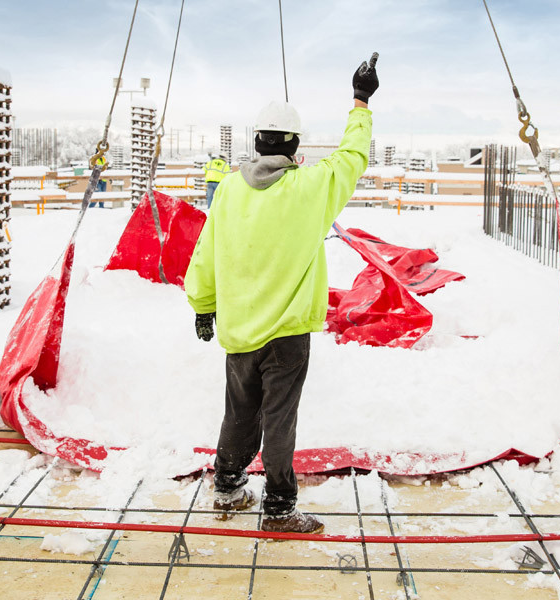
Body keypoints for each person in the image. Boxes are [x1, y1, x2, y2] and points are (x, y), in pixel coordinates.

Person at [184, 54, 380, 534]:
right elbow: (352, 157)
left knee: (239, 413)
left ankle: (228, 488)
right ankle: (278, 509)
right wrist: (361, 100)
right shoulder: (311, 188)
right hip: (288, 334)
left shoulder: (229, 190)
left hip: (240, 329)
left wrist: (203, 306)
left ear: (256, 143)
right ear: (294, 146)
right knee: (279, 420)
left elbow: (206, 252)